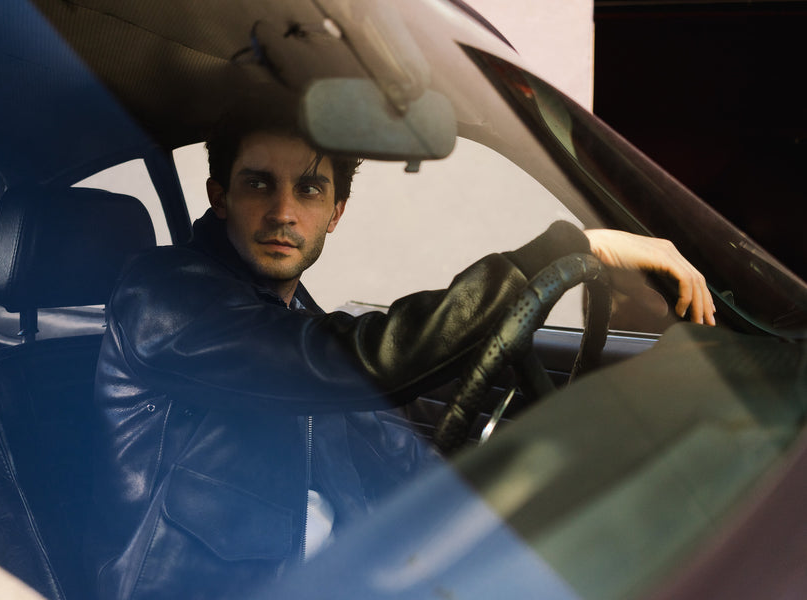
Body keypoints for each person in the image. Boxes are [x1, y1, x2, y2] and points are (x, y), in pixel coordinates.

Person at [89, 103, 715, 600]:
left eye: (308, 191)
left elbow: (393, 454)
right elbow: (354, 364)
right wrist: (574, 248)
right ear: (220, 196)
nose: (283, 212)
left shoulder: (286, 313)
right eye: (259, 184)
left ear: (335, 213)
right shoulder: (165, 297)